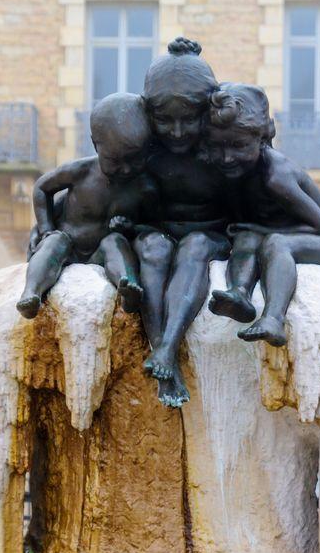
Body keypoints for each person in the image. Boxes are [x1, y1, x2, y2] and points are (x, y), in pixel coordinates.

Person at [204, 83, 320, 346]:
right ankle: (239, 293)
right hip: (295, 238)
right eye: (218, 147)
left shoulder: (276, 176)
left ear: (262, 138)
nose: (227, 157)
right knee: (247, 237)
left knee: (276, 242)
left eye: (238, 146)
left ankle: (273, 319)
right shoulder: (239, 173)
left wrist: (263, 232)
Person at [135, 38, 234, 408]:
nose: (176, 131)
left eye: (188, 119)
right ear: (148, 112)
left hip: (211, 237)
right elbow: (94, 183)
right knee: (155, 247)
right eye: (164, 120)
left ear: (208, 110)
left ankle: (167, 349)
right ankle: (162, 354)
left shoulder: (224, 147)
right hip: (157, 233)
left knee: (194, 247)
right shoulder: (141, 148)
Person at [16, 93, 158, 320]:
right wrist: (45, 229)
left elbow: (152, 224)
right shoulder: (81, 171)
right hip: (68, 247)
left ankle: (128, 286)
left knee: (115, 242)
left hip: (99, 254)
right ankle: (31, 293)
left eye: (134, 160)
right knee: (55, 241)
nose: (126, 169)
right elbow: (42, 188)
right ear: (96, 146)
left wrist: (130, 227)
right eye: (114, 161)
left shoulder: (144, 188)